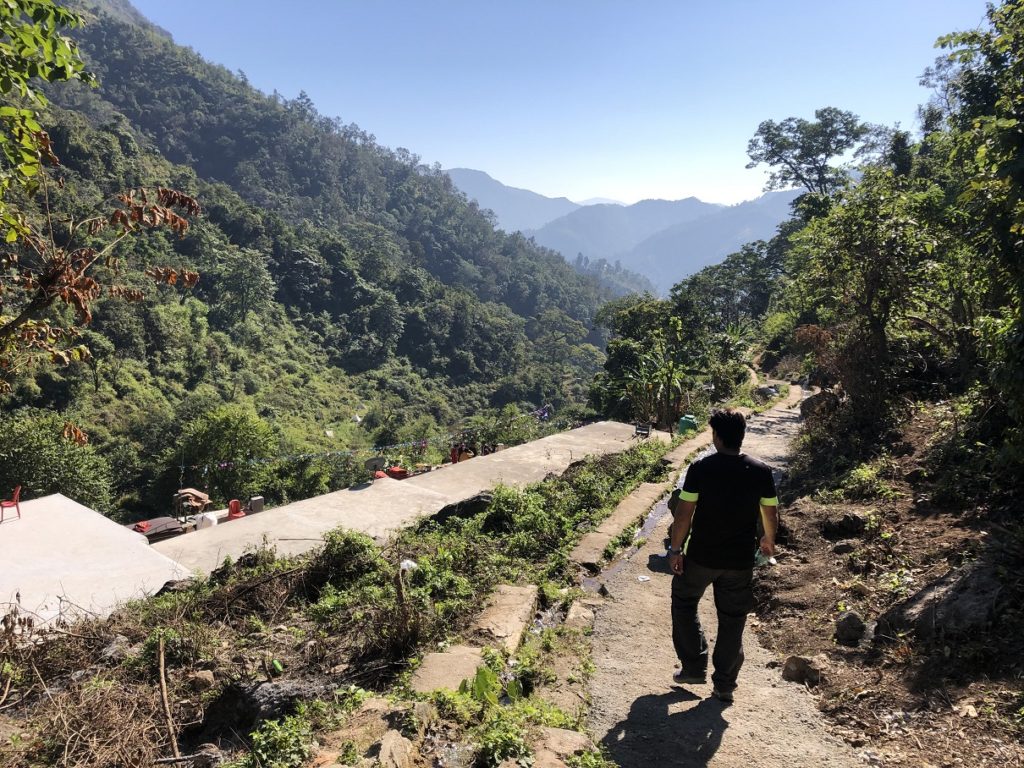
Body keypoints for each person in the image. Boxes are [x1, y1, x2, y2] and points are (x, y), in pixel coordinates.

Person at [667, 408, 779, 704]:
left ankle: (693, 667)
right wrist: (768, 540)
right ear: (741, 436)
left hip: (701, 556)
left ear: (716, 436)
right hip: (739, 561)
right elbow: (770, 511)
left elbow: (683, 515)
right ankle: (724, 684)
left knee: (684, 601)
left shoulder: (701, 469)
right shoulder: (761, 471)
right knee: (732, 619)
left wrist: (676, 549)